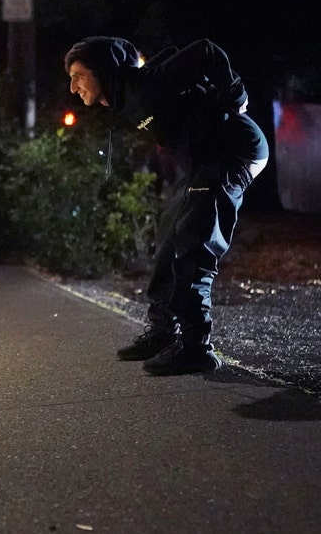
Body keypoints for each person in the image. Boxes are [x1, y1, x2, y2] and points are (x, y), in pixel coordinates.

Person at [64, 36, 269, 376]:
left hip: (233, 152)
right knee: (168, 240)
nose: (73, 87)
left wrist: (236, 95)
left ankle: (196, 347)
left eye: (78, 76)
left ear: (102, 70)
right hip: (201, 162)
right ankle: (163, 332)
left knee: (192, 245)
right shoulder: (125, 97)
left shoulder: (144, 86)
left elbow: (206, 50)